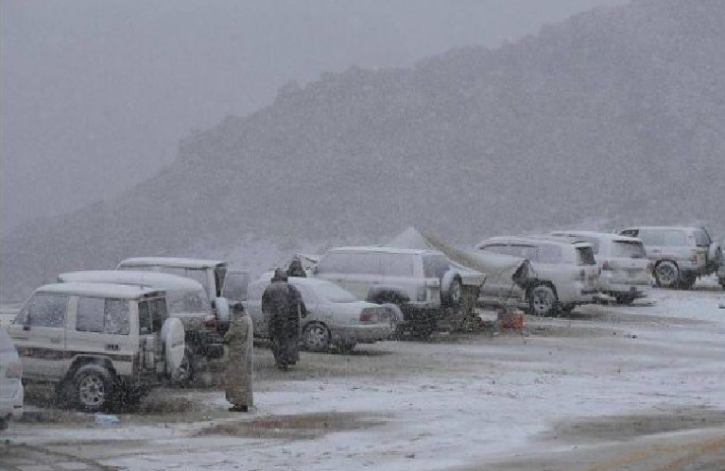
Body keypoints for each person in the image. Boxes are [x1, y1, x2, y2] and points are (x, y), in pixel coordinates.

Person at [262, 268, 306, 370]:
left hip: (275, 318)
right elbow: (300, 300)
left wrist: (266, 317)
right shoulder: (291, 287)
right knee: (289, 339)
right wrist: (303, 312)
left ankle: (280, 360)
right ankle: (288, 358)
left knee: (276, 339)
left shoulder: (269, 288)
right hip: (291, 318)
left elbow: (264, 305)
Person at [223, 302, 254, 412]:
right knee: (245, 380)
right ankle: (244, 402)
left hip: (238, 354)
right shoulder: (248, 320)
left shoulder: (238, 322)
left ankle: (239, 403)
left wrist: (224, 337)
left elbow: (229, 336)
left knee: (236, 380)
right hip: (246, 354)